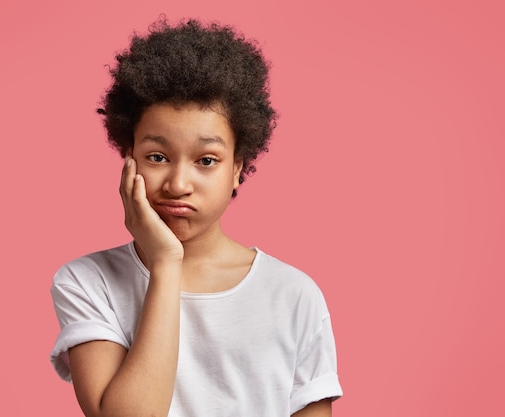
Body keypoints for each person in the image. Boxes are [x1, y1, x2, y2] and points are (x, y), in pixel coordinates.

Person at [50, 18, 342, 417]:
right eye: (157, 157)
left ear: (237, 168)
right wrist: (166, 264)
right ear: (128, 157)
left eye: (206, 160)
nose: (178, 183)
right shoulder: (88, 282)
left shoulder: (292, 295)